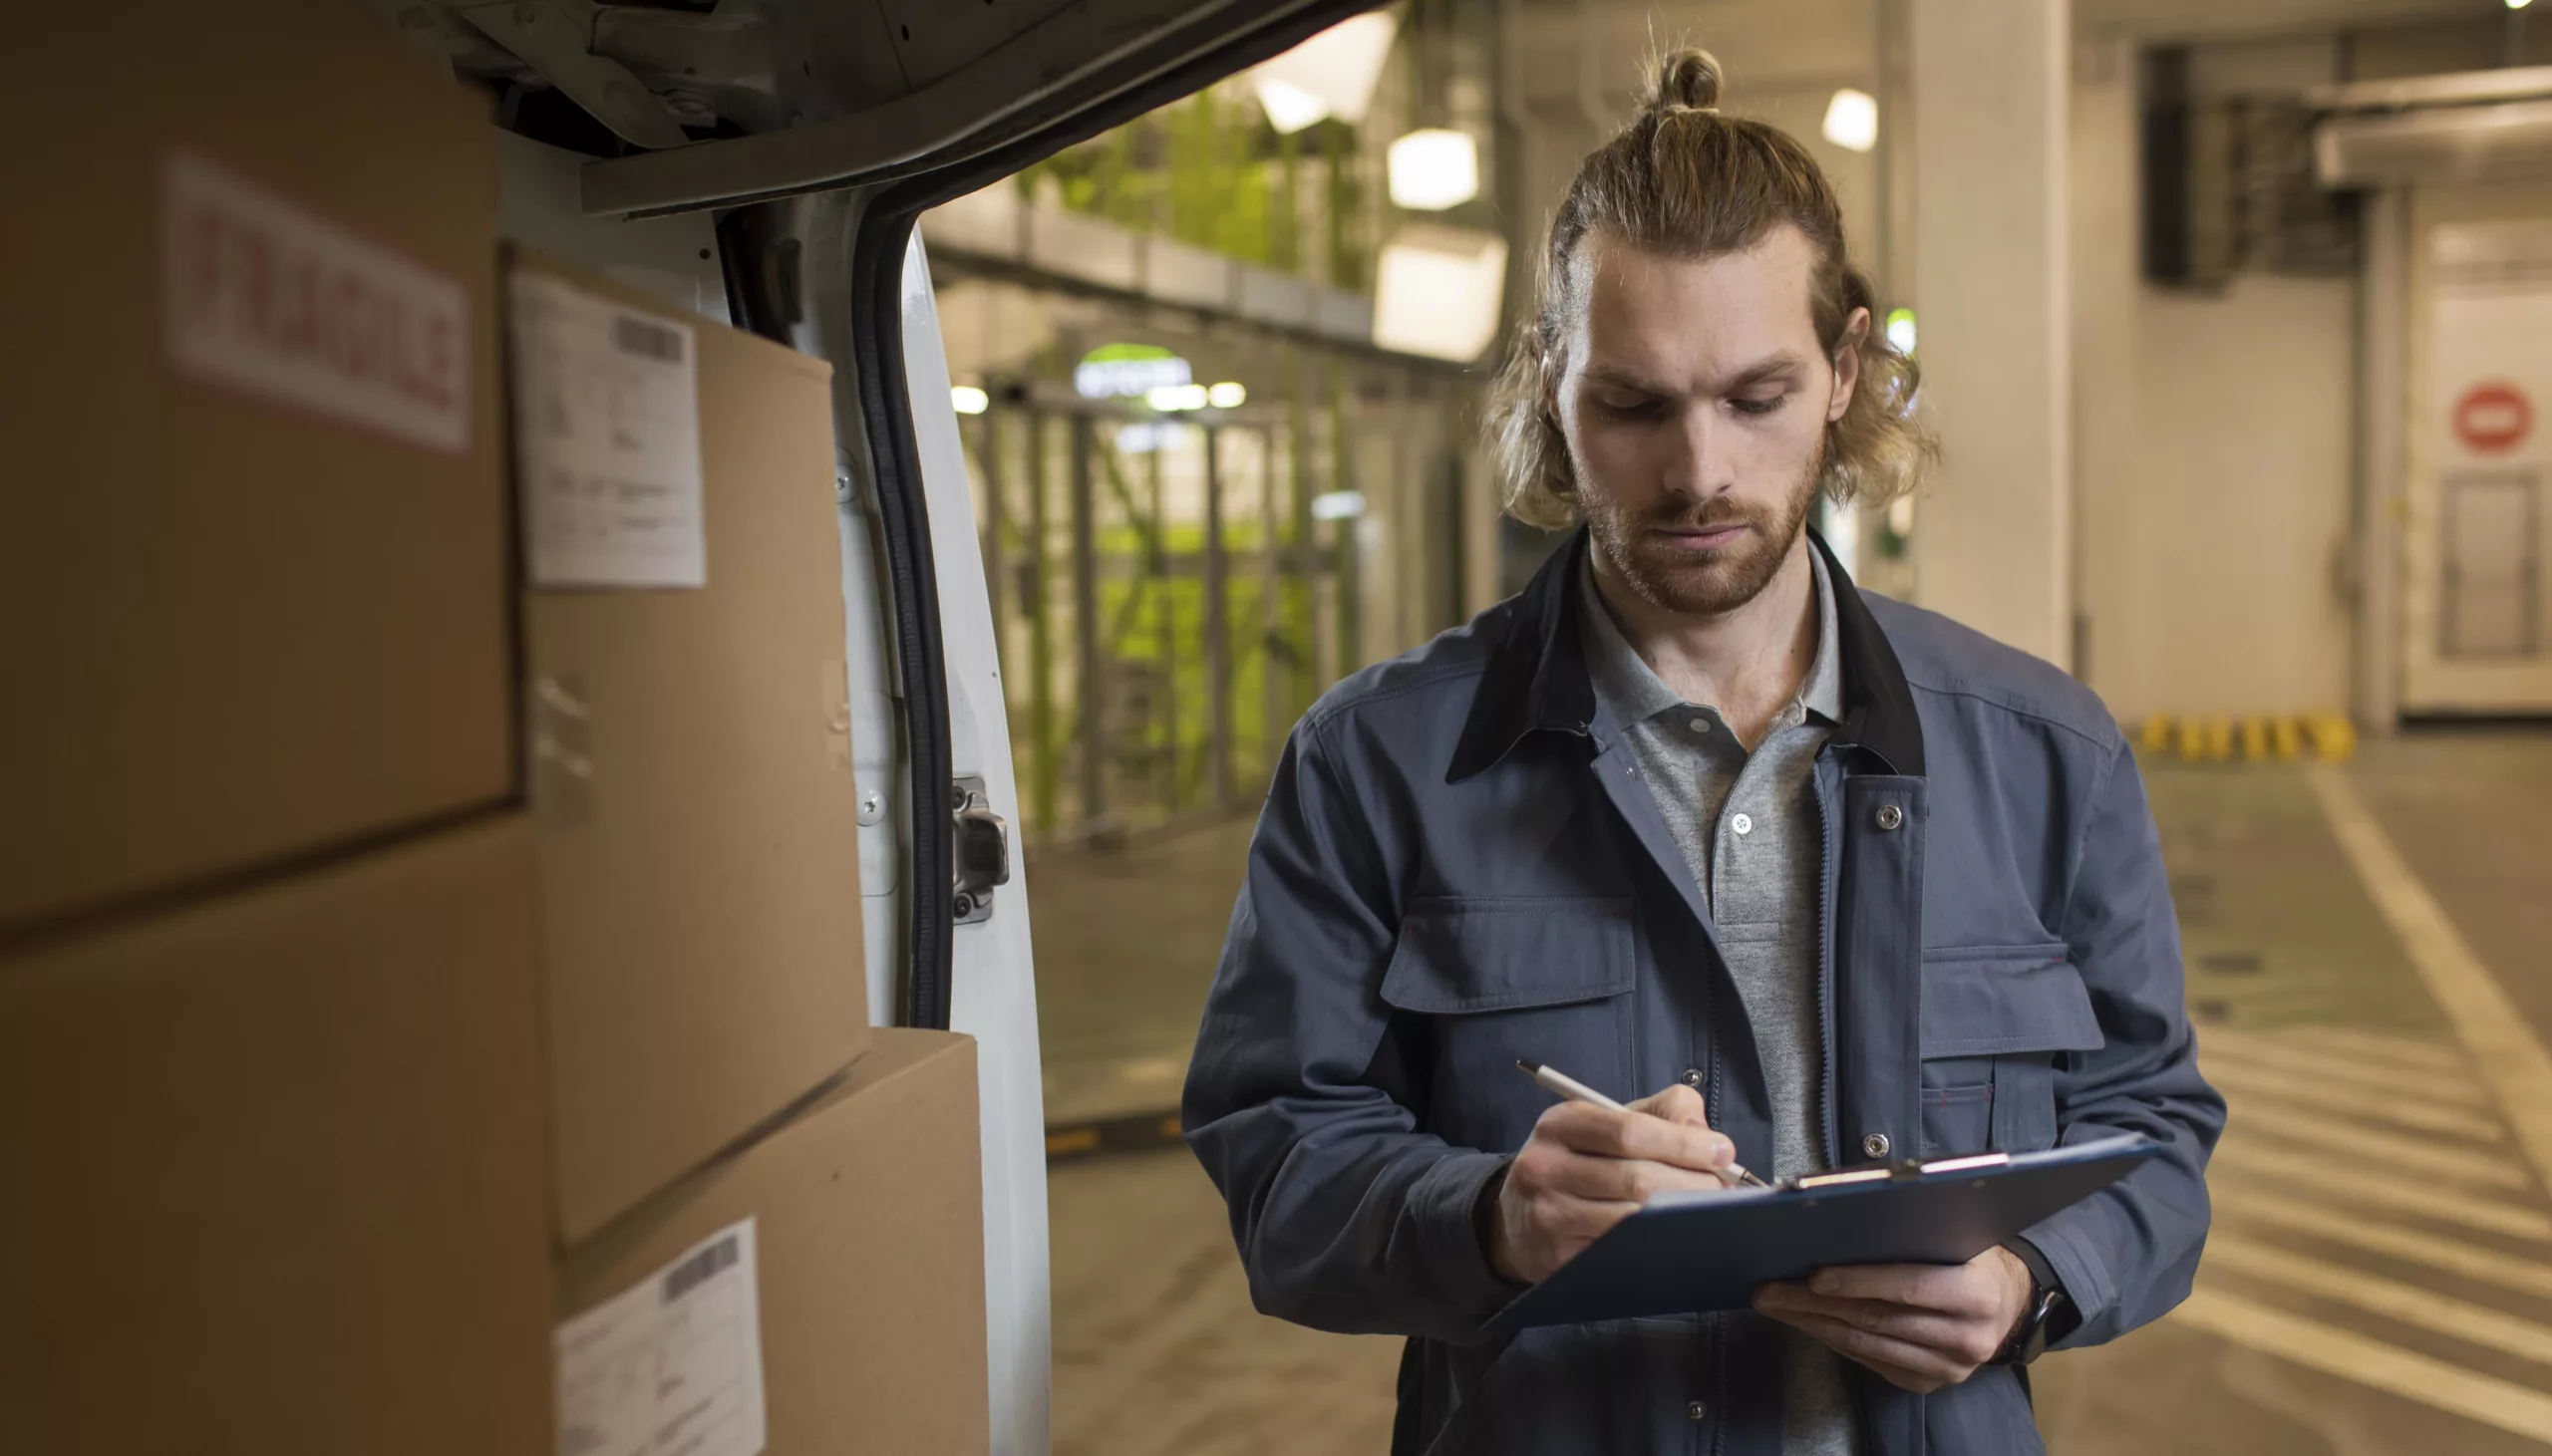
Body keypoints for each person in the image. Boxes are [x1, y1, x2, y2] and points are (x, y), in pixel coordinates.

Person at [1180, 44, 2224, 1456]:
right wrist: (1489, 1219)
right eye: (1635, 405)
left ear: (1846, 369)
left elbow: (2153, 1128)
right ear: (1552, 382)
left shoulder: (2045, 755)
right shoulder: (1377, 764)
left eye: (1756, 398)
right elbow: (1276, 1157)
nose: (1700, 474)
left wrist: (2032, 1280)